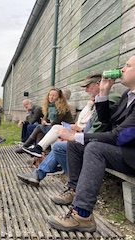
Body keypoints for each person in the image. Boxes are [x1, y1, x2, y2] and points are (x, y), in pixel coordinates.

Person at [47, 55, 135, 233]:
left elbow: (119, 137)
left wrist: (76, 136)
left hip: (131, 155)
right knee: (75, 145)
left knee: (93, 147)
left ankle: (82, 214)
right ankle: (74, 189)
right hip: (122, 151)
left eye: (128, 65)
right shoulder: (128, 94)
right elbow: (106, 121)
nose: (122, 69)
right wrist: (103, 93)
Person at [17, 73, 121, 186]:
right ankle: (39, 169)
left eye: (88, 86)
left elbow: (99, 128)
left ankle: (76, 182)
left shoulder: (110, 99)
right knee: (48, 133)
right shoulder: (101, 99)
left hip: (97, 143)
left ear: (99, 84)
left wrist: (77, 135)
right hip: (89, 138)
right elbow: (95, 126)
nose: (86, 90)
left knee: (57, 144)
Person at [15, 87, 74, 154]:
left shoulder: (62, 107)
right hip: (54, 127)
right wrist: (44, 122)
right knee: (40, 131)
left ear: (59, 97)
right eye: (50, 95)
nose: (51, 97)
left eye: (54, 96)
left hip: (66, 128)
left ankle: (25, 146)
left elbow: (56, 122)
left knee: (38, 127)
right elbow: (45, 119)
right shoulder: (50, 106)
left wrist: (46, 124)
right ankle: (37, 153)